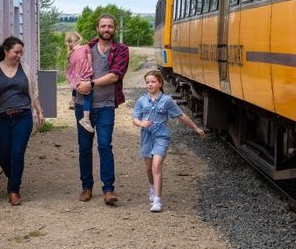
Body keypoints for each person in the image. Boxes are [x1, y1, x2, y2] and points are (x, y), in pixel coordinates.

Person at [0, 36, 45, 206]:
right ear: (6, 51)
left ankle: (14, 190)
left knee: (17, 153)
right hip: (2, 117)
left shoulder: (24, 69)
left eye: (21, 52)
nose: (19, 55)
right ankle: (14, 178)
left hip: (23, 116)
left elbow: (34, 91)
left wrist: (39, 110)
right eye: (16, 52)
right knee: (3, 156)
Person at [132, 69, 205, 212]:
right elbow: (135, 118)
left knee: (156, 166)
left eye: (153, 82)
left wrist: (196, 128)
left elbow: (181, 115)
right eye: (148, 82)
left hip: (161, 136)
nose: (150, 85)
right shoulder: (142, 100)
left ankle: (157, 201)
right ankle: (152, 188)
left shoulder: (167, 100)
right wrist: (140, 123)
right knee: (148, 168)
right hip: (146, 136)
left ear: (160, 83)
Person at [74, 13, 129, 206]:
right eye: (103, 26)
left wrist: (91, 83)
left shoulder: (121, 50)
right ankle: (87, 187)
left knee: (105, 146)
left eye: (110, 26)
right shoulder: (86, 48)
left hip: (105, 106)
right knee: (84, 148)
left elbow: (115, 75)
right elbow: (73, 68)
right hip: (83, 105)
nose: (106, 29)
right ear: (97, 28)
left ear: (115, 29)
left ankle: (108, 189)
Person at [65, 31, 94, 133]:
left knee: (75, 85)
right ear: (79, 39)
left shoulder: (71, 53)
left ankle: (72, 100)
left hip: (76, 75)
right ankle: (85, 119)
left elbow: (70, 66)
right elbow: (90, 61)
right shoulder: (86, 47)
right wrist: (89, 71)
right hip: (85, 75)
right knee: (88, 97)